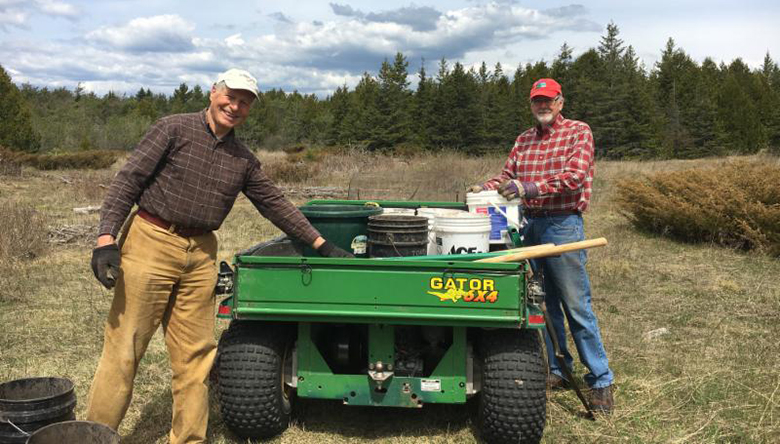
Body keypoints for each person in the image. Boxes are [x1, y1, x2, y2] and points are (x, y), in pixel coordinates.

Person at [87, 68, 352, 443]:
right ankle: (96, 436)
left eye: (245, 102)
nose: (236, 106)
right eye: (231, 96)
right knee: (125, 347)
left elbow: (275, 203)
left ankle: (189, 439)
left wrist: (322, 245)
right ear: (213, 92)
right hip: (151, 239)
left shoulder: (242, 159)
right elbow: (128, 179)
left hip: (201, 254)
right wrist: (105, 238)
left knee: (196, 357)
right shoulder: (173, 129)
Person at [468, 78, 614, 413]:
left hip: (562, 224)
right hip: (527, 224)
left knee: (575, 304)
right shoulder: (524, 140)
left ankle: (601, 380)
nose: (543, 106)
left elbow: (575, 177)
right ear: (531, 105)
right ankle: (558, 370)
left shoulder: (578, 132)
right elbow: (507, 178)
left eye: (549, 100)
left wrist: (529, 188)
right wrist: (483, 187)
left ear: (560, 102)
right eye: (537, 101)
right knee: (541, 302)